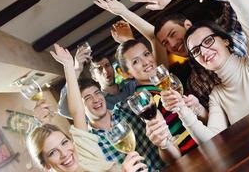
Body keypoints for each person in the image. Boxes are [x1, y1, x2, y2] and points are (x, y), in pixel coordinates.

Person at [94, 0, 249, 108]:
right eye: (165, 44)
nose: (172, 45)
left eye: (173, 33)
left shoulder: (226, 32)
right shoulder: (195, 83)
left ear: (188, 25)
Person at [161, 0, 249, 144]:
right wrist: (182, 110)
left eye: (208, 40)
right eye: (196, 51)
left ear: (225, 41)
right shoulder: (217, 96)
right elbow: (212, 140)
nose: (204, 51)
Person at [47, 44, 180, 171]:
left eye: (97, 93)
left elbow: (147, 76)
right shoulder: (90, 142)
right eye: (87, 98)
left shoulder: (128, 107)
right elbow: (70, 110)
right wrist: (74, 69)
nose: (96, 99)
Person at [27, 47, 146, 172]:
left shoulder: (86, 155)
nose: (65, 154)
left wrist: (69, 67)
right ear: (46, 166)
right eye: (52, 153)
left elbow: (77, 112)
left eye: (64, 142)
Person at [116, 39, 199, 155]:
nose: (146, 62)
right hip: (193, 152)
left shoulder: (162, 82)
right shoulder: (142, 98)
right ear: (128, 74)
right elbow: (166, 141)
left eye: (146, 54)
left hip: (205, 138)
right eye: (135, 62)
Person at [58, 43, 136, 119]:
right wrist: (77, 70)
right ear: (94, 77)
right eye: (99, 68)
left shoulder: (131, 85)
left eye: (107, 65)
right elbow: (63, 110)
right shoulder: (96, 104)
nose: (105, 71)